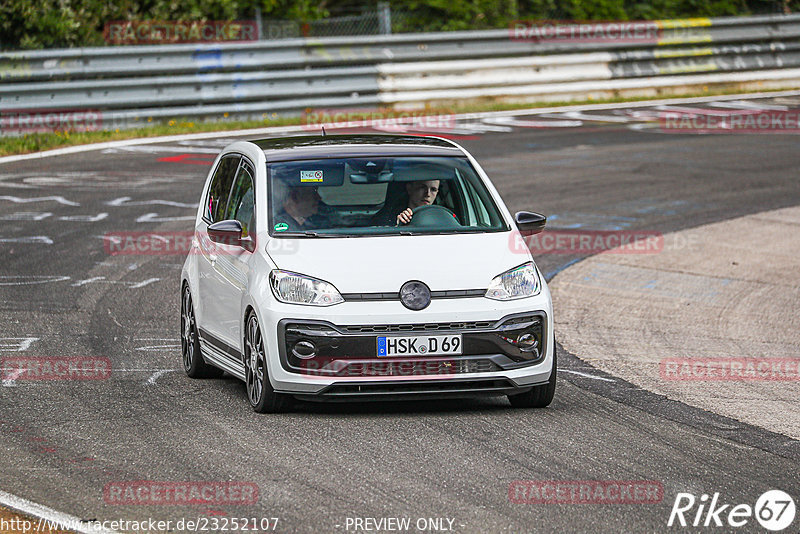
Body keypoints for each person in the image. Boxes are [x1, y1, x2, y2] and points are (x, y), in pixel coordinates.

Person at [371, 180, 440, 226]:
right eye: (422, 187)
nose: (428, 194)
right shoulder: (387, 218)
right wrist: (399, 227)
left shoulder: (442, 219)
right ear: (409, 188)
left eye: (433, 190)